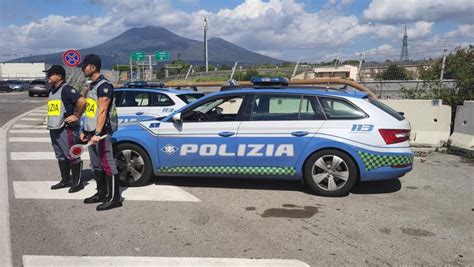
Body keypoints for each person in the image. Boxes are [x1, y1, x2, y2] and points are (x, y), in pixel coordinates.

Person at [78, 54, 122, 211]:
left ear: (93, 67)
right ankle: (102, 192)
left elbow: (103, 111)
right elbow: (91, 111)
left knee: (107, 164)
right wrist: (84, 129)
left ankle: (115, 197)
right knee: (96, 165)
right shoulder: (92, 86)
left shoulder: (104, 86)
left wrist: (97, 132)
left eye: (85, 66)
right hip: (91, 132)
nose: (83, 68)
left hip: (101, 132)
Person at [45, 65, 86, 193]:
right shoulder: (52, 90)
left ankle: (77, 182)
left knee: (72, 155)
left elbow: (82, 101)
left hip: (65, 129)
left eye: (50, 74)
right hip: (54, 128)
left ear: (59, 76)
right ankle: (65, 180)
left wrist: (76, 116)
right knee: (60, 156)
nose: (48, 77)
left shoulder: (66, 89)